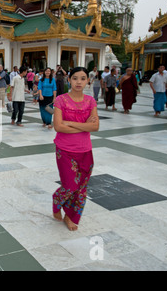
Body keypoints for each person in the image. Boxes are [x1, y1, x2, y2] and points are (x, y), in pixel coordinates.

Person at [52, 67, 100, 231]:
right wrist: (85, 126)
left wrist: (70, 123)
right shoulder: (61, 100)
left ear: (88, 81)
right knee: (70, 186)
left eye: (83, 78)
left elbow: (95, 127)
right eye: (75, 78)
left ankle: (70, 216)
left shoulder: (90, 101)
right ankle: (57, 199)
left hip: (85, 150)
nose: (79, 82)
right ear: (69, 80)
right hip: (65, 150)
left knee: (81, 188)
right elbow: (58, 126)